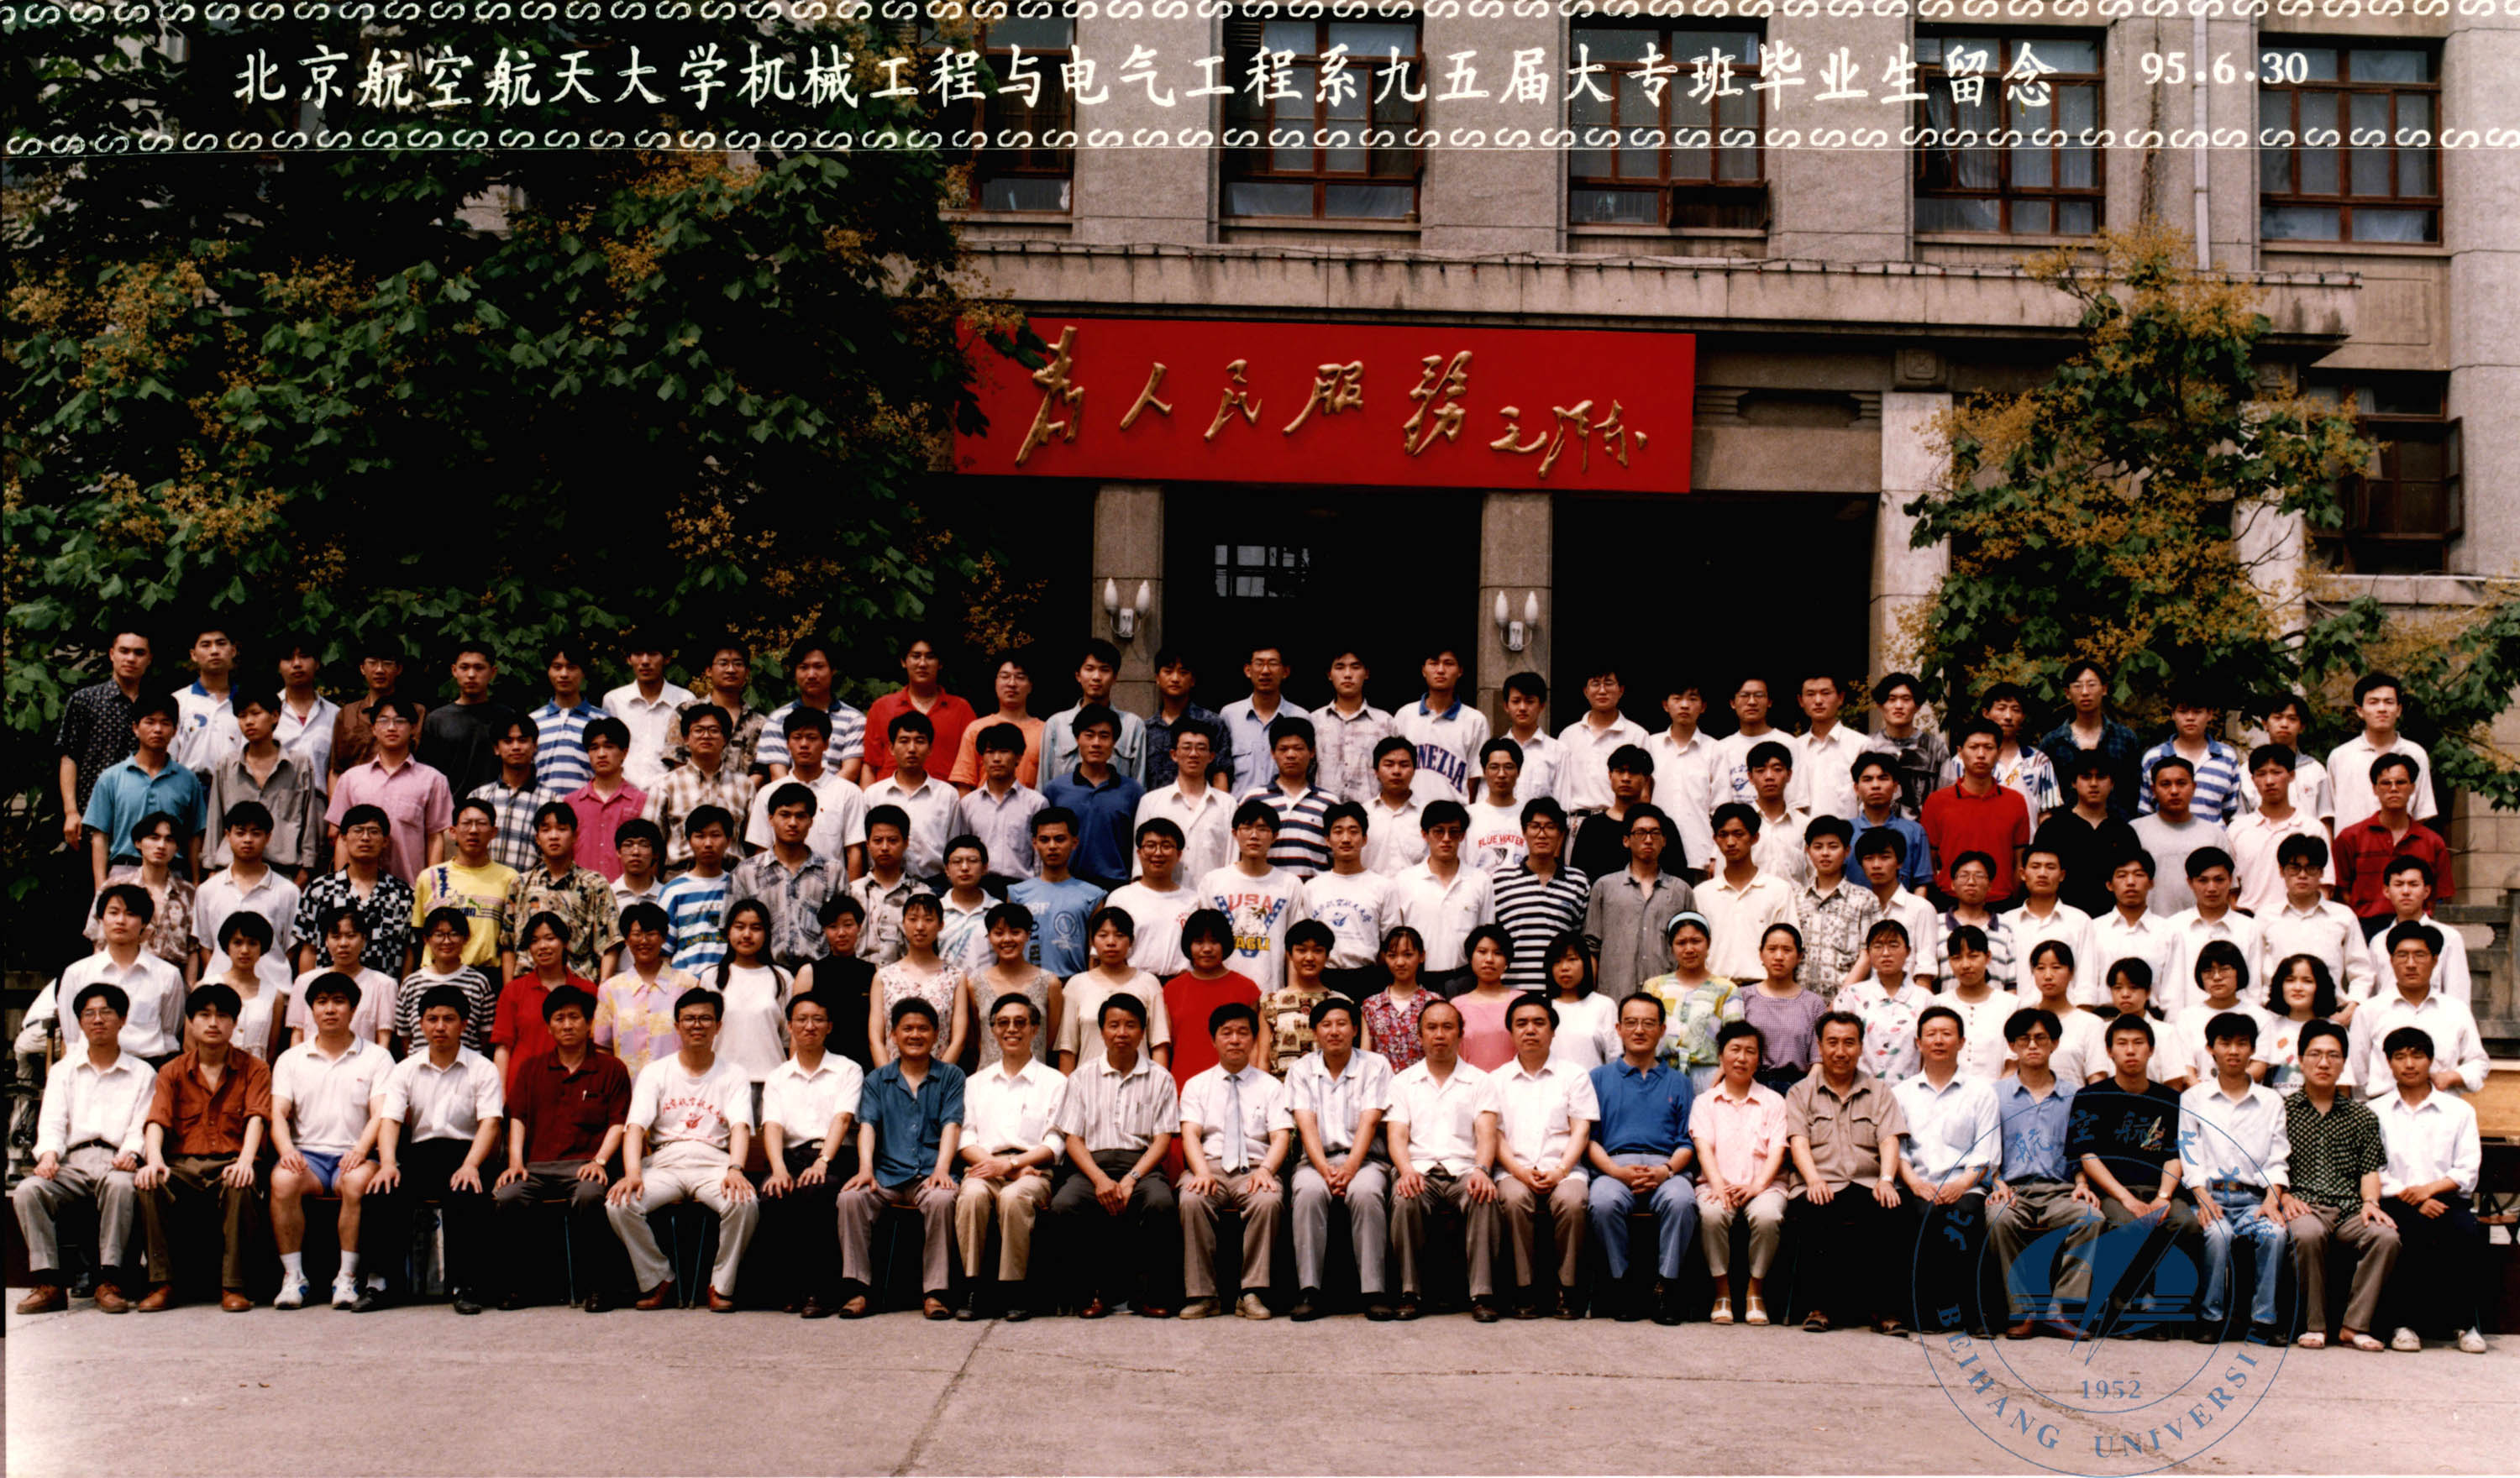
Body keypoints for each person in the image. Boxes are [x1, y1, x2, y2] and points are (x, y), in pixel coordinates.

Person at [605, 987, 759, 1313]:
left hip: (714, 1161)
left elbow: (740, 1127)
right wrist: (632, 1173)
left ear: (718, 1026)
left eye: (705, 1018)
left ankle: (721, 1285)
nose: (696, 1025)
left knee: (744, 1202)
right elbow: (635, 1127)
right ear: (677, 1026)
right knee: (620, 1204)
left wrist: (736, 1169)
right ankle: (658, 1277)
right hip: (665, 1161)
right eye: (689, 1019)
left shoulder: (734, 1074)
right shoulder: (655, 1072)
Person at [13, 982, 153, 1313]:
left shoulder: (142, 1073)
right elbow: (52, 1122)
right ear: (79, 1022)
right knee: (29, 1190)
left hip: (116, 1161)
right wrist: (49, 1155)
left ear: (123, 1019)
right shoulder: (63, 1072)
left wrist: (132, 1153)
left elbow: (141, 1125)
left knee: (121, 1186)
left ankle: (110, 1280)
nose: (97, 1020)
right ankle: (49, 1282)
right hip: (71, 1164)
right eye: (89, 1014)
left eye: (106, 1012)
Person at [132, 984, 271, 1312]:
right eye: (204, 1015)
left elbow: (257, 1117)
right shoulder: (172, 1071)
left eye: (222, 1016)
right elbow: (157, 1120)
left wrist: (246, 1161)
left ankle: (233, 1286)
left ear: (234, 1023)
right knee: (150, 1183)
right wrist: (154, 1160)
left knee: (241, 1184)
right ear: (191, 1022)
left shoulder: (255, 1068)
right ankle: (162, 1283)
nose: (213, 1023)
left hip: (231, 1162)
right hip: (183, 1166)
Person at [492, 984, 632, 1311]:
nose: (567, 1025)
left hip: (586, 1166)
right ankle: (518, 1287)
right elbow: (518, 1118)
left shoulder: (611, 1069)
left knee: (590, 1195)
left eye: (574, 1017)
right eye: (559, 1018)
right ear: (549, 1027)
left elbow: (618, 1123)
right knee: (507, 1196)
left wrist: (600, 1161)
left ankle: (597, 1287)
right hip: (537, 1167)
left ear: (589, 1024)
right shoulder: (531, 1069)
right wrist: (515, 1162)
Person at [365, 986, 503, 1313]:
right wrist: (388, 1163)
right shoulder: (405, 1068)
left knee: (466, 1191)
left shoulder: (483, 1068)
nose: (440, 1026)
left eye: (449, 1019)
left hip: (468, 1152)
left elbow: (490, 1123)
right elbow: (390, 1120)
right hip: (422, 1153)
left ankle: (466, 1286)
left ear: (464, 1024)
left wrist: (470, 1165)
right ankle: (380, 1284)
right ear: (421, 1024)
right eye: (432, 1019)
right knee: (383, 1189)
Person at [1050, 993, 1181, 1318]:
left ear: (1143, 1032)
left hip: (1142, 1166)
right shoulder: (1081, 1077)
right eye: (1114, 1025)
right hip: (1091, 1166)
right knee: (1065, 1203)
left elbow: (1162, 1140)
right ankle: (1088, 1295)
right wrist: (1100, 1180)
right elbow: (1073, 1139)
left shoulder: (1160, 1078)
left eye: (1130, 1025)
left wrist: (1131, 1179)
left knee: (1160, 1202)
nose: (1122, 1032)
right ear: (1102, 1031)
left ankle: (1149, 1295)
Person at [268, 972, 392, 1310]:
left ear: (353, 1009)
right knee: (283, 1180)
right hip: (307, 1156)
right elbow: (278, 1113)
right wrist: (287, 1150)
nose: (330, 1009)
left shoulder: (377, 1057)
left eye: (339, 1001)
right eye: (322, 1002)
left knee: (356, 1182)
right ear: (311, 1010)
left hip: (355, 1154)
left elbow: (381, 1114)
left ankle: (346, 1279)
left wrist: (361, 1150)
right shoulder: (291, 1059)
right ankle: (294, 1278)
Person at [1782, 1011, 1911, 1334]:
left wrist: (1886, 1179)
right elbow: (1798, 1141)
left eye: (1849, 1043)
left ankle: (1886, 1311)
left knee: (1892, 1211)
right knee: (1816, 1210)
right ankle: (1818, 1308)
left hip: (1867, 1182)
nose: (1841, 1051)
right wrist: (1813, 1179)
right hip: (1819, 1180)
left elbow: (1889, 1138)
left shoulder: (1879, 1091)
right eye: (1833, 1043)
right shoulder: (1800, 1092)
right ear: (1820, 1046)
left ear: (1860, 1046)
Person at [2275, 1019, 2397, 1351]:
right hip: (2303, 1205)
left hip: (2349, 1209)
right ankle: (2314, 1325)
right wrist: (2285, 1197)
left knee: (2385, 1236)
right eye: (2315, 1054)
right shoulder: (2282, 1112)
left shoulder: (2362, 1116)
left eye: (2333, 1055)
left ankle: (2354, 1326)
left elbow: (2369, 1170)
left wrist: (2371, 1203)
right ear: (2300, 1060)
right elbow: (2271, 1164)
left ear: (2344, 1062)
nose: (2324, 1063)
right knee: (2307, 1235)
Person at [1385, 998, 1506, 1322]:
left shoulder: (1480, 1081)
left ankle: (1482, 1294)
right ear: (1420, 1035)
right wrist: (1406, 1171)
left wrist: (1482, 1170)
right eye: (1432, 1028)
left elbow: (1486, 1134)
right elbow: (1397, 1135)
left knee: (1483, 1194)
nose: (1440, 1034)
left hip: (1464, 1170)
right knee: (1405, 1197)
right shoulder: (1402, 1082)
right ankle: (1409, 1292)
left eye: (1448, 1027)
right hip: (1419, 1170)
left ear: (1460, 1034)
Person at [1984, 1007, 2102, 1339]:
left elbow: (2080, 1150)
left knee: (2091, 1216)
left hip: (2060, 1191)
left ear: (2055, 1044)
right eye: (2024, 1040)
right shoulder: (1995, 1094)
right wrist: (1996, 1182)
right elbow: (1986, 1148)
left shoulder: (2074, 1096)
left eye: (2041, 1038)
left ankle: (2061, 1309)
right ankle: (2023, 1310)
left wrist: (2081, 1183)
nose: (2033, 1046)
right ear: (2012, 1046)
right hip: (2013, 1189)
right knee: (1998, 1218)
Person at [2371, 1026, 2489, 1354]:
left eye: (2417, 1056)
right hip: (2395, 1200)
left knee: (2466, 1230)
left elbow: (2467, 1168)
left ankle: (2466, 1324)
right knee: (2406, 1231)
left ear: (2431, 1060)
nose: (2409, 1064)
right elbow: (2375, 1169)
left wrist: (2428, 1191)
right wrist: (2415, 1198)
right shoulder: (2375, 1111)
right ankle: (2402, 1325)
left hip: (2445, 1197)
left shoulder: (2459, 1111)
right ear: (2388, 1063)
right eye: (2400, 1057)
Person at [2176, 1011, 2292, 1344]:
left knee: (2274, 1233)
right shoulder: (2194, 1098)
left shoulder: (2271, 1101)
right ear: (2210, 1049)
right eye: (2225, 1043)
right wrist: (2202, 1197)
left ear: (2253, 1050)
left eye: (2242, 1044)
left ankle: (2264, 1321)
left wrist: (2271, 1199)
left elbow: (2277, 1156)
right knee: (2218, 1235)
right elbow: (2189, 1154)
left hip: (2254, 1199)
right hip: (2211, 1196)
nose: (2233, 1051)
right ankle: (2210, 1318)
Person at [1485, 993, 1599, 1319]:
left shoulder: (1574, 1075)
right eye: (1521, 1023)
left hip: (1565, 1169)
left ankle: (1568, 1288)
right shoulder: (1495, 1080)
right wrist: (1519, 1172)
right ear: (1511, 1032)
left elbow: (1581, 1130)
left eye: (1539, 1023)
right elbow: (1495, 1135)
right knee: (1513, 1199)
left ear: (1552, 1030)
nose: (1530, 1030)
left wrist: (1561, 1170)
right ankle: (1524, 1289)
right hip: (1514, 1169)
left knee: (1572, 1202)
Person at [1585, 991, 1698, 1323]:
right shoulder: (1598, 1079)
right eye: (1631, 1023)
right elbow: (1589, 1140)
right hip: (1613, 1167)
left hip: (1666, 1168)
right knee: (1603, 1203)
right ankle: (1621, 1285)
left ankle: (1666, 1287)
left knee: (1682, 1201)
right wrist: (1615, 1171)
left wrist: (1666, 1170)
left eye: (1648, 1023)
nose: (1639, 1030)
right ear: (1618, 1029)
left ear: (1662, 1030)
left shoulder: (1679, 1082)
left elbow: (1687, 1142)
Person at [1173, 1001, 1289, 1320]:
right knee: (1192, 1198)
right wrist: (1200, 1172)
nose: (1235, 1040)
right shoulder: (1197, 1085)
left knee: (1268, 1200)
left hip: (1255, 1168)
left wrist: (1267, 1171)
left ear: (1254, 1039)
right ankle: (1203, 1295)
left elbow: (1280, 1136)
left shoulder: (1271, 1086)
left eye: (1243, 1033)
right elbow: (1190, 1134)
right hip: (1209, 1165)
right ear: (1214, 1040)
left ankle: (1252, 1293)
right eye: (1227, 1033)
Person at [1285, 995, 1396, 1320]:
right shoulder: (1301, 1069)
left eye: (1342, 1024)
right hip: (1316, 1161)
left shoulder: (1376, 1065)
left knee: (1366, 1192)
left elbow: (1370, 1120)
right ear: (1315, 1032)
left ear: (1354, 1030)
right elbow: (1306, 1123)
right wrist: (1325, 1169)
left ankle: (1374, 1291)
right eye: (1326, 1025)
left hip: (1366, 1160)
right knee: (1307, 1192)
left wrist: (1349, 1168)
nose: (1334, 1031)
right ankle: (1309, 1289)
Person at [953, 993, 1063, 1320]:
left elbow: (1055, 1141)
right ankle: (973, 1288)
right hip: (985, 1165)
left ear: (1034, 1029)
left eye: (1020, 1022)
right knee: (971, 1195)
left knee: (1014, 1198)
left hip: (1034, 1170)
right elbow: (966, 1137)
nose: (1011, 1029)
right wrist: (1001, 1167)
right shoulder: (976, 1083)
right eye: (1003, 1023)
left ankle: (1014, 1289)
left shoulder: (1054, 1082)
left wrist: (1014, 1165)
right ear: (992, 1030)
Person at [1890, 1005, 1999, 1332]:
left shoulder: (1981, 1092)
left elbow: (1986, 1151)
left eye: (1947, 1034)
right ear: (1918, 1043)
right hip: (1918, 1184)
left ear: (1962, 1042)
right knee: (1924, 1214)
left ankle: (1972, 1313)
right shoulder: (1901, 1093)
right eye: (1931, 1034)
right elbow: (1898, 1150)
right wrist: (1914, 1184)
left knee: (1963, 1215)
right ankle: (1926, 1312)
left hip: (1966, 1185)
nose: (1939, 1041)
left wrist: (1960, 1185)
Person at [757, 990, 863, 1318]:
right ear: (789, 1026)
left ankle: (822, 1291)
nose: (809, 1026)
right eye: (801, 1020)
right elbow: (772, 1126)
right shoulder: (777, 1076)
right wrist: (778, 1169)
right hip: (791, 1157)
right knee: (774, 1193)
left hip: (834, 1155)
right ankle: (791, 1288)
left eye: (818, 1019)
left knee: (816, 1191)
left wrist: (822, 1162)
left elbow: (842, 1119)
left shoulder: (848, 1069)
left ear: (829, 1026)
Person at [1688, 1019, 1786, 1324]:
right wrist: (1718, 1185)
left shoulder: (1774, 1101)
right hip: (1716, 1184)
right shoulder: (1705, 1102)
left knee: (1768, 1216)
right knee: (1712, 1214)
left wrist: (1757, 1186)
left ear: (1759, 1059)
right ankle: (1723, 1292)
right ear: (1721, 1056)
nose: (1742, 1058)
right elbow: (1703, 1148)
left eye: (1750, 1051)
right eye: (1735, 1050)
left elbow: (1778, 1150)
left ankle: (1755, 1290)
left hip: (1764, 1186)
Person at [2347, 923, 2488, 1101]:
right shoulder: (2368, 1011)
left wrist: (2450, 1077)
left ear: (2435, 961)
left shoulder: (2455, 1010)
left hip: (2441, 1106)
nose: (2411, 964)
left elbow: (2479, 1062)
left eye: (2420, 955)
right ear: (2391, 961)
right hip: (2383, 1108)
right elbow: (2358, 1072)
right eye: (2402, 955)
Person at [82, 690, 207, 889]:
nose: (157, 729)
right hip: (123, 873)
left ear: (175, 730)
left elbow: (194, 836)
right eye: (150, 722)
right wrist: (100, 886)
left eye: (165, 723)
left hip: (172, 876)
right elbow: (100, 836)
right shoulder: (111, 778)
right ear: (135, 728)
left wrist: (195, 881)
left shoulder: (188, 780)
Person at [58, 883, 187, 1067]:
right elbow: (72, 1036)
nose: (120, 920)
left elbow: (169, 1032)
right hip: (92, 1067)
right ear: (102, 919)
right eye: (113, 912)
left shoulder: (167, 974)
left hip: (150, 1067)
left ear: (144, 923)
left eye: (131, 914)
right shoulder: (77, 973)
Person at [202, 689, 326, 878]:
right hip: (231, 869)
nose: (248, 722)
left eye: (255, 713)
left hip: (283, 870)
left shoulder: (299, 765)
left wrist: (307, 869)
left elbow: (309, 820)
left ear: (275, 716)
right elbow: (215, 818)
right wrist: (211, 867)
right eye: (242, 716)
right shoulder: (226, 765)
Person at [731, 782, 848, 978]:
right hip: (762, 974)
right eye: (785, 815)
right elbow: (732, 929)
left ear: (811, 821)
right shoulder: (746, 872)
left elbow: (843, 929)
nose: (793, 823)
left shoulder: (832, 871)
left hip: (820, 974)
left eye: (800, 816)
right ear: (770, 819)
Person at [1580, 803, 1695, 1000]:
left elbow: (1691, 948)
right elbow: (1591, 947)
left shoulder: (1681, 891)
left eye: (1655, 833)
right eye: (1640, 833)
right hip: (1614, 998)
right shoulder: (1605, 887)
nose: (1648, 839)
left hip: (1668, 1000)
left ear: (1664, 840)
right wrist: (1591, 1000)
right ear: (1626, 840)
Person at [500, 803, 623, 983]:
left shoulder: (594, 884)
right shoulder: (520, 884)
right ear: (537, 838)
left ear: (575, 836)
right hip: (529, 986)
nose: (554, 836)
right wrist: (510, 992)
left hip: (578, 985)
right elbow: (507, 944)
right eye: (546, 830)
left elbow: (610, 943)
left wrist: (602, 990)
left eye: (562, 829)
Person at [296, 804, 421, 981]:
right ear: (343, 838)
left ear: (385, 841)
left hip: (384, 993)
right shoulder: (320, 890)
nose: (365, 838)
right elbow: (309, 949)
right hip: (330, 992)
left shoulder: (404, 894)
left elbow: (408, 952)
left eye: (373, 832)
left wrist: (401, 992)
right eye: (358, 830)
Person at [2335, 755, 2453, 937]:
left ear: (2412, 788)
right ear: (2375, 789)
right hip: (2364, 928)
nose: (2393, 789)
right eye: (2385, 783)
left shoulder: (2432, 842)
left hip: (2416, 929)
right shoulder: (2351, 837)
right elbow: (2342, 890)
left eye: (2401, 782)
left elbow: (2438, 895)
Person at [57, 626, 155, 846]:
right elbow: (69, 756)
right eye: (124, 651)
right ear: (112, 654)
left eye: (139, 653)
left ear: (149, 659)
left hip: (145, 818)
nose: (131, 658)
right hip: (93, 816)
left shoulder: (156, 705)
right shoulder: (85, 700)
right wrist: (71, 812)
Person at [741, 711, 866, 878]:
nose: (804, 744)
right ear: (787, 744)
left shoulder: (848, 793)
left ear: (826, 744)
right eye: (797, 738)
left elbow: (854, 852)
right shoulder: (768, 793)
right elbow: (761, 850)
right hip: (777, 886)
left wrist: (850, 892)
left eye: (812, 738)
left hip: (831, 887)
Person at [1200, 800, 1307, 993]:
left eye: (1262, 829)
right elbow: (1202, 942)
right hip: (1221, 991)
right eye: (1247, 828)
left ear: (1275, 836)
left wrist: (1292, 992)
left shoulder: (1290, 884)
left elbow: (1294, 947)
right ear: (1235, 833)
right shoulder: (1213, 882)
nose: (1254, 835)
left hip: (1271, 992)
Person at [1923, 719, 2033, 906]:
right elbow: (1929, 861)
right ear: (1960, 752)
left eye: (1988, 748)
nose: (1981, 754)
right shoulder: (1937, 802)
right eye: (1973, 747)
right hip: (1950, 900)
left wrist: (2012, 900)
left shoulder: (2016, 802)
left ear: (1999, 753)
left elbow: (2019, 861)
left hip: (2001, 902)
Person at [195, 800, 305, 985]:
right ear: (228, 835)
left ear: (268, 837)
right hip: (220, 991)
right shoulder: (208, 890)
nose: (248, 839)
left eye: (256, 833)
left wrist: (274, 986)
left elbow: (291, 948)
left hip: (272, 990)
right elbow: (205, 945)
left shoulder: (288, 892)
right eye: (240, 833)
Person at [1394, 801, 1498, 997]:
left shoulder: (1480, 881)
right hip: (1416, 980)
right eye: (1438, 831)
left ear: (1463, 836)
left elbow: (1486, 938)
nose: (1446, 839)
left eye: (1454, 832)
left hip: (1465, 980)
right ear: (1424, 835)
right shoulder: (1404, 881)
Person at [644, 706, 759, 877]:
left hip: (732, 877)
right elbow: (649, 842)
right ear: (686, 739)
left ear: (725, 739)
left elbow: (754, 842)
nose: (706, 736)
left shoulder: (744, 786)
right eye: (698, 730)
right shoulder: (666, 785)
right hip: (679, 875)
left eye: (714, 730)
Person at [593, 902, 703, 1077]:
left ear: (664, 937)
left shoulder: (688, 985)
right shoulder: (610, 990)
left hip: (676, 1085)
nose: (644, 941)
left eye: (651, 934)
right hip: (628, 1087)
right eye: (637, 934)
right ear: (627, 940)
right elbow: (603, 1048)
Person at [491, 913, 596, 1095]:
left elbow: (595, 1046)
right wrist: (500, 1098)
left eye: (550, 938)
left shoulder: (587, 990)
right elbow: (503, 1049)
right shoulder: (513, 991)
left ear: (565, 943)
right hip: (524, 1089)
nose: (543, 946)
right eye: (535, 941)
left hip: (574, 1089)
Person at [2324, 672, 2437, 841]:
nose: (2382, 709)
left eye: (2389, 702)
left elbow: (2422, 813)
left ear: (2398, 710)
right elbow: (2329, 816)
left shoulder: (2415, 754)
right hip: (2353, 851)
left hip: (2401, 852)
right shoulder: (2340, 757)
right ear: (2360, 710)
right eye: (2374, 702)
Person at [1055, 909, 1172, 1072]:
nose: (1111, 942)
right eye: (1103, 935)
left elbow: (1159, 1043)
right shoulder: (1076, 985)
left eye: (1119, 935)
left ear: (1131, 941)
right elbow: (1068, 1048)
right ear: (1092, 941)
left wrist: (1158, 1083)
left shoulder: (1148, 983)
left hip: (1139, 1082)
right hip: (1088, 1083)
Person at [1300, 805, 1399, 998]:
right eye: (1338, 831)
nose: (1346, 839)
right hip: (1322, 978)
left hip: (1369, 979)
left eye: (1353, 831)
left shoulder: (1383, 887)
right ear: (1327, 839)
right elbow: (1303, 942)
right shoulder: (1312, 887)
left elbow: (1391, 943)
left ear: (1364, 839)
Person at [1495, 799, 1592, 995]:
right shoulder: (1500, 880)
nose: (1542, 834)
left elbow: (1581, 943)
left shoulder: (1578, 882)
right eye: (1535, 827)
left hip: (1561, 996)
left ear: (1561, 834)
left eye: (1550, 827)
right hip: (1512, 993)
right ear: (1524, 832)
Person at [409, 799, 516, 977]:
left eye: (481, 824)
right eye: (466, 823)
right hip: (437, 974)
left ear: (493, 832)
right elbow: (417, 936)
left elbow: (510, 942)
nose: (473, 830)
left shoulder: (510, 878)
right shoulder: (429, 877)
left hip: (487, 975)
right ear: (453, 832)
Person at [1641, 913, 1745, 1093]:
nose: (1689, 949)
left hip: (1709, 1077)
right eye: (1681, 943)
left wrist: (1719, 1079)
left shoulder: (1727, 990)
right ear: (1671, 947)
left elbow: (1736, 1041)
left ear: (1708, 943)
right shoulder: (1654, 987)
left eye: (1696, 941)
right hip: (1659, 1073)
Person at [1043, 705, 1147, 887]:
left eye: (1104, 736)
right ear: (1077, 739)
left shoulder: (1132, 791)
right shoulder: (1056, 790)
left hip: (1116, 884)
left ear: (1114, 742)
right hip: (1066, 884)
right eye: (1089, 735)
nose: (1096, 743)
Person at [2229, 745, 2334, 919]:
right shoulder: (2237, 830)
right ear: (2253, 779)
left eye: (2277, 772)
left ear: (2291, 776)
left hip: (2300, 921)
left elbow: (2324, 887)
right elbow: (2231, 890)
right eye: (2261, 774)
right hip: (2250, 922)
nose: (2269, 781)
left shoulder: (2312, 828)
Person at [2034, 750, 2142, 919]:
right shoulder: (2053, 828)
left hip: (2112, 921)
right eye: (2086, 777)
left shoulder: (2123, 832)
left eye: (2101, 777)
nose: (2093, 784)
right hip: (2062, 919)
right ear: (2074, 782)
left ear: (2112, 783)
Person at [872, 893, 974, 1071]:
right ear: (903, 923)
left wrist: (939, 1079)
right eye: (913, 919)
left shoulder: (955, 977)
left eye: (928, 920)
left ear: (941, 925)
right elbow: (876, 1038)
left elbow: (958, 1039)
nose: (920, 927)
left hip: (940, 1078)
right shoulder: (884, 977)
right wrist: (888, 1080)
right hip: (892, 1078)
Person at [710, 899, 794, 1102]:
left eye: (756, 928)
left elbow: (790, 1038)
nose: (747, 934)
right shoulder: (711, 978)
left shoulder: (782, 978)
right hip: (721, 1082)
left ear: (766, 934)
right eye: (739, 927)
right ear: (728, 932)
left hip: (771, 1083)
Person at [1698, 804, 1793, 982]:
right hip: (1713, 989)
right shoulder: (1702, 894)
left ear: (1755, 837)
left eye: (1738, 834)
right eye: (1723, 834)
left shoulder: (1778, 890)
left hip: (1764, 988)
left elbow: (1789, 948)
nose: (1730, 842)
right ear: (1715, 839)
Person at [861, 710, 962, 879]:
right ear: (891, 748)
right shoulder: (873, 795)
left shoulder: (947, 795)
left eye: (920, 741)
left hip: (935, 883)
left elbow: (955, 847)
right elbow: (865, 847)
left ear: (930, 749)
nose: (912, 749)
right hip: (884, 882)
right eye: (904, 741)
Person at [2037, 659, 2145, 818]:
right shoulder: (2052, 742)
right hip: (2066, 827)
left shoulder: (2125, 738)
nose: (2085, 692)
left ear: (2104, 689)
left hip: (2117, 826)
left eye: (2092, 685)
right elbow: (2044, 796)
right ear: (2067, 693)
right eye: (2077, 686)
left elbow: (2134, 790)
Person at [1793, 816, 1881, 1004]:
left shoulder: (1865, 899)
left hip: (1848, 1004)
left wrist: (1839, 1003)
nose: (1825, 853)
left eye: (1833, 846)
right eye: (1818, 847)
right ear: (1808, 851)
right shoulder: (1795, 899)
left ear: (1847, 851)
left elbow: (1867, 954)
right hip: (1799, 1003)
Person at [756, 638, 867, 784]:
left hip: (837, 795)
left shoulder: (854, 720)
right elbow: (778, 775)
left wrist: (823, 794)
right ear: (795, 672)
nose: (811, 675)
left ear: (833, 670)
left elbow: (850, 772)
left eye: (819, 667)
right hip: (788, 795)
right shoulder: (777, 720)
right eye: (804, 667)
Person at [1238, 715, 1336, 881]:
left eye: (1298, 748)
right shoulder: (1254, 799)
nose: (1291, 755)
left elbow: (1336, 857)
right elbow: (1241, 853)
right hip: (1266, 892)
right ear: (1273, 753)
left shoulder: (1329, 803)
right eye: (1283, 749)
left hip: (1313, 892)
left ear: (1312, 752)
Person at [1009, 809, 1105, 976]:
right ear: (1035, 843)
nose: (1052, 846)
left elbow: (1095, 954)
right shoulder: (1018, 894)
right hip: (1027, 984)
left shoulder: (1093, 896)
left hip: (1073, 982)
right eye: (1044, 840)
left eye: (1060, 839)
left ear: (1074, 842)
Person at [1135, 721, 1234, 883]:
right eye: (1187, 747)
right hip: (1163, 896)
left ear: (1211, 757)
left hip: (1213, 897)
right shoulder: (1151, 802)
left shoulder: (1227, 805)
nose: (1193, 754)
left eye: (1201, 748)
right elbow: (1139, 864)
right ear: (1174, 754)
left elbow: (1233, 861)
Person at [1849, 828, 1943, 997]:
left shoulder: (1920, 908)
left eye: (1885, 857)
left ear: (1899, 863)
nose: (1876, 865)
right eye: (1869, 858)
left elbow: (1925, 970)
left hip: (1908, 1000)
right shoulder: (1858, 907)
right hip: (1864, 999)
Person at [1389, 646, 1487, 806]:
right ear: (1423, 670)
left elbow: (1475, 777)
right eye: (1434, 663)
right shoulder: (1405, 715)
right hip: (1409, 812)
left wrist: (1467, 813)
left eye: (1448, 663)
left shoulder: (1475, 720)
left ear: (1460, 671)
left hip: (1454, 814)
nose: (1440, 670)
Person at [1041, 640, 1147, 787]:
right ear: (1078, 675)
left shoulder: (1132, 726)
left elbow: (1139, 786)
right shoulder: (1056, 724)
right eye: (1089, 669)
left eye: (1104, 670)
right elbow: (1044, 784)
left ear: (1115, 677)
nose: (1096, 677)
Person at [970, 902, 1061, 1069]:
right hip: (988, 1077)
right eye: (999, 933)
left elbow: (1050, 1041)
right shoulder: (975, 984)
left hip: (1035, 1077)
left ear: (1028, 935)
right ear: (989, 937)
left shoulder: (1049, 983)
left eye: (1015, 932)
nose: (1007, 939)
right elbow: (976, 1039)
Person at [600, 632, 696, 791]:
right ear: (629, 659)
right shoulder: (614, 700)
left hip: (670, 791)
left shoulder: (684, 700)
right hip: (623, 792)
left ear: (667, 658)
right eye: (638, 654)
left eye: (652, 654)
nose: (645, 661)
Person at [661, 639, 769, 778]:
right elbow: (677, 760)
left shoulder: (761, 723)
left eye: (738, 664)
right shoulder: (686, 712)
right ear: (708, 671)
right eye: (723, 663)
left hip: (745, 791)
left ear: (747, 672)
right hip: (690, 789)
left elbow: (760, 772)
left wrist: (740, 790)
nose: (731, 670)